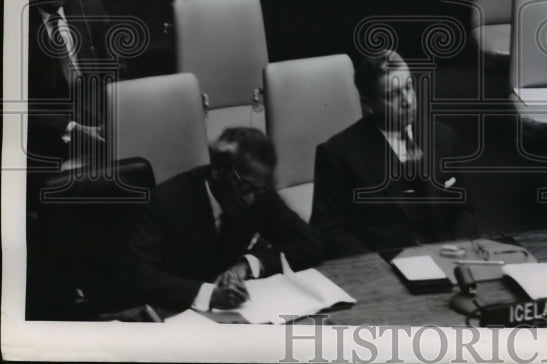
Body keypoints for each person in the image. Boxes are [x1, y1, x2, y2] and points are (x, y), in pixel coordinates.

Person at [117, 127, 326, 311]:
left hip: (239, 312)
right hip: (176, 311)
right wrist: (209, 294)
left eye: (258, 190)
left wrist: (250, 265)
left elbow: (311, 243)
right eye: (244, 187)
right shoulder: (167, 201)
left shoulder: (258, 195)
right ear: (217, 171)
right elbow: (135, 274)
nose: (249, 199)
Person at [311, 51, 477, 256]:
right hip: (385, 268)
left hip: (448, 258)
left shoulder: (443, 137)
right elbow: (329, 232)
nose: (407, 101)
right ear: (369, 103)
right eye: (392, 95)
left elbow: (465, 210)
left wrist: (460, 247)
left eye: (408, 87)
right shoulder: (338, 155)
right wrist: (381, 267)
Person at [26, 0, 123, 203]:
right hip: (48, 135)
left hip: (101, 122)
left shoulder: (91, 8)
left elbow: (116, 71)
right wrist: (71, 128)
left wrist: (108, 118)